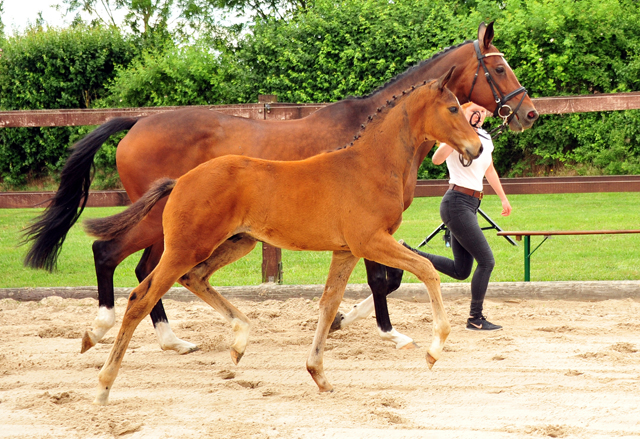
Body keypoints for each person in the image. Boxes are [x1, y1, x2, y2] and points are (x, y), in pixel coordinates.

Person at [402, 102, 511, 331]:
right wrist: (454, 137)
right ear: (463, 113)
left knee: (461, 270)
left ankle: (409, 253)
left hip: (471, 203)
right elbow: (437, 159)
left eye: (482, 112)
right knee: (487, 261)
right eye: (474, 111)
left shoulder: (485, 139)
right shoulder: (455, 135)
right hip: (456, 203)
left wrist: (503, 198)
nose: (478, 115)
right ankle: (475, 318)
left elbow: (489, 169)